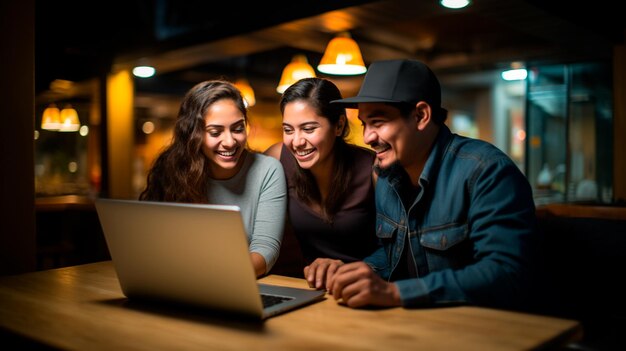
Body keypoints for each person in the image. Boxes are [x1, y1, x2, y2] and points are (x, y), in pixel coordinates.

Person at [323, 59, 539, 310]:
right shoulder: (386, 175)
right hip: (421, 327)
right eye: (364, 124)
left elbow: (506, 273)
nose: (368, 137)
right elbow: (394, 254)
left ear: (421, 115)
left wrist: (395, 293)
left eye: (378, 122)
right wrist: (356, 273)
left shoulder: (486, 170)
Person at [139, 80, 287, 277]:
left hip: (236, 282)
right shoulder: (172, 169)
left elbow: (265, 250)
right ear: (193, 134)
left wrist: (211, 276)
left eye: (237, 129)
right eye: (215, 132)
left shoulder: (267, 170)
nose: (229, 142)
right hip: (178, 279)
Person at [264, 77, 378, 286]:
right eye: (288, 130)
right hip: (308, 287)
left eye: (308, 129)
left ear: (338, 125)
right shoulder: (276, 159)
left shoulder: (372, 170)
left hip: (364, 286)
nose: (297, 142)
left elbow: (400, 248)